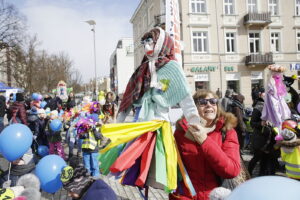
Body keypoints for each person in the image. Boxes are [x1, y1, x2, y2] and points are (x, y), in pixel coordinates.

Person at [171, 89, 240, 200]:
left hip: (214, 196)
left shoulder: (227, 131)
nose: (209, 105)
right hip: (185, 196)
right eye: (203, 102)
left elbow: (232, 170)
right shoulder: (180, 132)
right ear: (193, 109)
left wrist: (204, 140)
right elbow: (173, 169)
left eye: (213, 101)